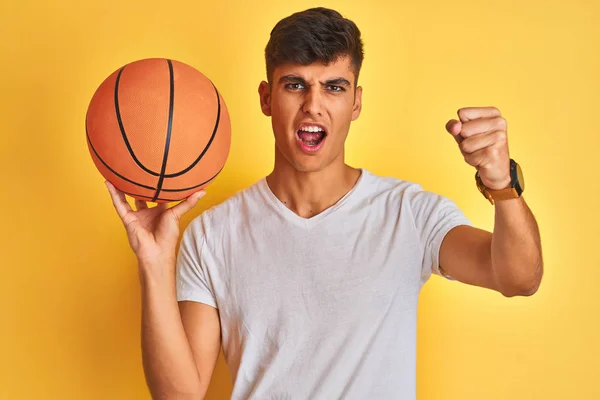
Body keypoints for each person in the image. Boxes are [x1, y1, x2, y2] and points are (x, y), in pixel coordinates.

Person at [105, 7, 543, 400]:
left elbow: (519, 277)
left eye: (333, 87)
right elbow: (179, 396)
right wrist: (154, 261)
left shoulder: (408, 214)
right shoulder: (212, 233)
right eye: (295, 85)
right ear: (265, 98)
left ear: (355, 103)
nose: (313, 106)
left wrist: (501, 184)